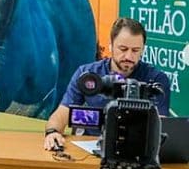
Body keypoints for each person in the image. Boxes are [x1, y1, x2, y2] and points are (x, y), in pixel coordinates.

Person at [43, 17, 170, 150]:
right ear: (110, 46)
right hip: (91, 148)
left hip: (136, 149)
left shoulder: (156, 80)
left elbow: (159, 126)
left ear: (143, 49)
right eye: (123, 49)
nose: (128, 57)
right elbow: (62, 113)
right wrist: (53, 133)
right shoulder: (87, 74)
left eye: (135, 50)